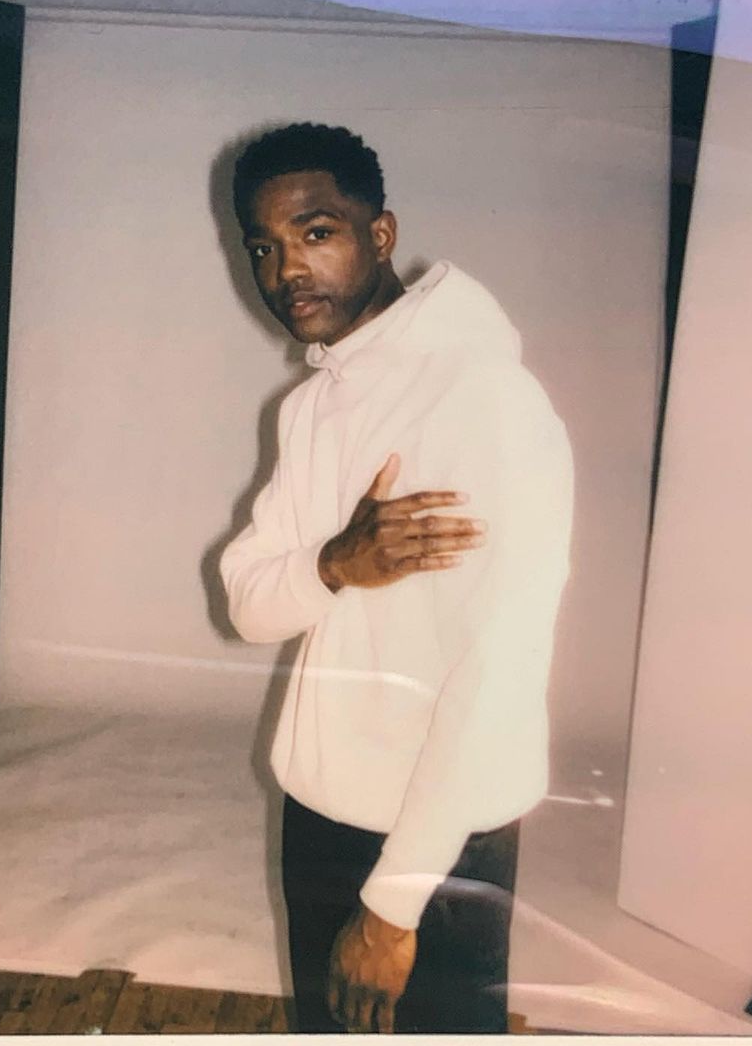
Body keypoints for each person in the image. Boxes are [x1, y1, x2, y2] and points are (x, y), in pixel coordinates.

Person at [219, 123, 574, 1034]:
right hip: (320, 808)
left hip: (439, 844)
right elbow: (251, 605)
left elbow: (496, 674)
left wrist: (392, 908)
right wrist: (336, 564)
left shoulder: (485, 398)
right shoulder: (310, 408)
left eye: (316, 232)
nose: (286, 270)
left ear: (380, 234)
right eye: (263, 247)